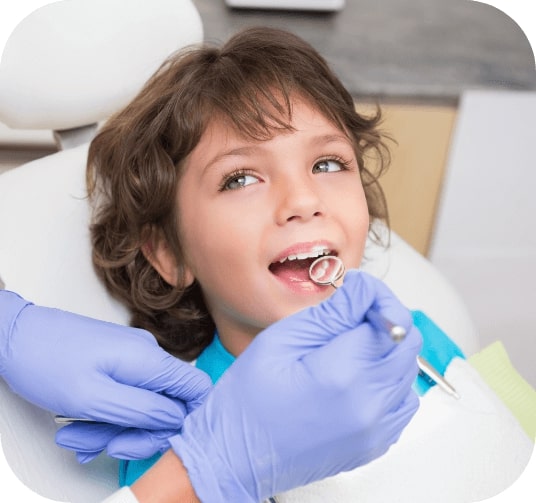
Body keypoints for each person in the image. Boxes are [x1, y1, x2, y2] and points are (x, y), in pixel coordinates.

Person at [57, 24, 441, 501]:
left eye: (328, 164)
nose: (303, 199)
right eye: (240, 179)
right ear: (170, 254)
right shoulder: (179, 446)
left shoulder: (420, 343)